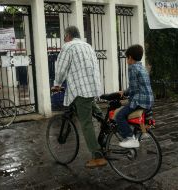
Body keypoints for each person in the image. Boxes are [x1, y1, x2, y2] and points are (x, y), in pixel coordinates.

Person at [53, 26, 106, 168]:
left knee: (86, 123)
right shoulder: (87, 46)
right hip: (92, 87)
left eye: (64, 36)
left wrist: (57, 84)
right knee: (96, 113)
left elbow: (61, 68)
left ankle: (97, 156)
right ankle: (107, 130)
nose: (64, 39)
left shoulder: (68, 47)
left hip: (80, 90)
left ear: (68, 35)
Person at [116, 44, 154, 148]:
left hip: (140, 100)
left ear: (130, 58)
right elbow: (138, 86)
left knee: (119, 116)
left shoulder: (132, 68)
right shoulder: (142, 67)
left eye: (126, 58)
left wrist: (127, 99)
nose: (126, 61)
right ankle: (137, 132)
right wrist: (124, 92)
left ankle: (129, 137)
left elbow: (133, 89)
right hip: (149, 100)